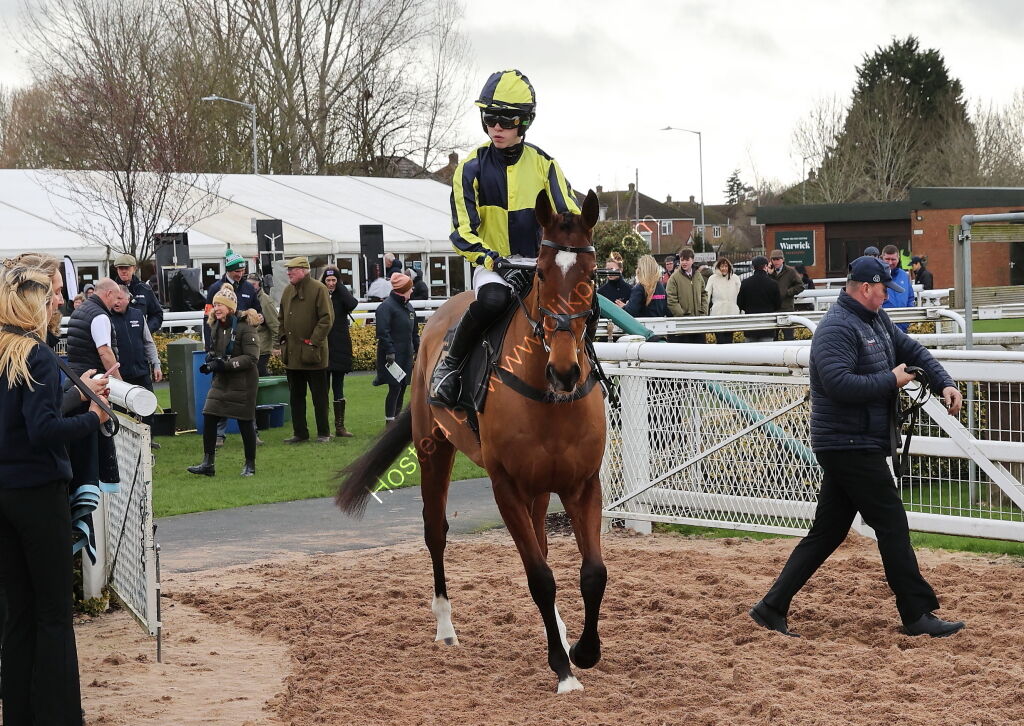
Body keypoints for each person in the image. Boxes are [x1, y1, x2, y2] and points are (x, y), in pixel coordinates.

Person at [749, 255, 966, 639]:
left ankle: (771, 607)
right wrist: (892, 380)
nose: (887, 295)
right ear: (866, 287)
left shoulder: (875, 319)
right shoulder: (836, 328)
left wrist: (943, 380)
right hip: (847, 443)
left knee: (828, 531)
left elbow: (913, 351)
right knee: (891, 521)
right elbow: (839, 385)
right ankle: (916, 614)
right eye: (884, 289)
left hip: (855, 441)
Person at [0, 260, 110, 725]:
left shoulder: (8, 352)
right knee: (53, 614)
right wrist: (94, 418)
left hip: (4, 493)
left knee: (19, 614)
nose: (57, 305)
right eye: (51, 298)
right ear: (35, 303)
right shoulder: (35, 355)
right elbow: (44, 430)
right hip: (39, 492)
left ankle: (20, 713)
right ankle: (61, 715)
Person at [430, 68, 580, 407]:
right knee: (493, 301)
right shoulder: (470, 168)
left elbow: (568, 218)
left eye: (506, 120)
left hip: (539, 266)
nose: (496, 127)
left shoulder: (546, 165)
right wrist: (492, 260)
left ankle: (591, 370)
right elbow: (461, 232)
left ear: (524, 123)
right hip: (494, 266)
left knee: (581, 305)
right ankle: (450, 366)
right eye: (489, 118)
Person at [187, 287, 261, 477]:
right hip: (222, 379)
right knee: (209, 415)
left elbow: (252, 358)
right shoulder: (216, 325)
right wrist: (212, 359)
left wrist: (226, 364)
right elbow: (216, 351)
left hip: (244, 381)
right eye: (215, 304)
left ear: (230, 307)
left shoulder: (245, 326)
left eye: (220, 304)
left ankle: (250, 465)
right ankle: (208, 463)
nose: (216, 307)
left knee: (245, 422)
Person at [205, 249, 262, 447]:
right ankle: (219, 434)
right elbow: (208, 319)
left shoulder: (248, 287)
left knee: (245, 395)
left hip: (241, 347)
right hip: (221, 347)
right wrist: (210, 350)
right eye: (236, 270)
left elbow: (257, 310)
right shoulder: (215, 288)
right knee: (220, 392)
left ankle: (252, 431)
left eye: (242, 270)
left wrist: (255, 320)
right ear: (229, 270)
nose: (240, 273)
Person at [277, 256, 334, 443]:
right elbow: (281, 319)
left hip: (313, 355)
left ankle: (324, 433)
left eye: (292, 269)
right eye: (288, 270)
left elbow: (326, 318)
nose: (288, 272)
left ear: (303, 270)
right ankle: (300, 433)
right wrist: (283, 339)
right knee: (296, 397)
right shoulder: (287, 291)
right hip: (293, 356)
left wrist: (313, 341)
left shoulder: (319, 289)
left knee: (319, 397)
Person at [110, 285, 163, 448]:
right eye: (115, 298)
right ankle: (122, 442)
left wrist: (156, 364)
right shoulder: (107, 317)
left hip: (140, 370)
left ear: (128, 299)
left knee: (148, 405)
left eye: (120, 298)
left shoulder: (138, 315)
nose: (116, 302)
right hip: (120, 373)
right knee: (120, 410)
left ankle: (147, 439)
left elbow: (148, 342)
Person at [375, 273, 419, 425]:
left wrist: (418, 349)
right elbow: (383, 332)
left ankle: (396, 420)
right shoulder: (385, 307)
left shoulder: (409, 306)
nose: (412, 290)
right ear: (403, 290)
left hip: (406, 355)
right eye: (410, 288)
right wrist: (390, 351)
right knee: (394, 388)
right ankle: (390, 422)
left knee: (402, 387)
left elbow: (414, 332)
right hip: (392, 356)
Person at [322, 267, 358, 437]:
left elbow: (352, 304)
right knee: (323, 389)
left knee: (338, 387)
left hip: (340, 346)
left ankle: (340, 426)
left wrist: (340, 286)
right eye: (328, 281)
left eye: (333, 281)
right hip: (323, 347)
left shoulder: (341, 296)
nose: (330, 284)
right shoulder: (320, 296)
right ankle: (325, 427)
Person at [66, 277, 123, 379]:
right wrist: (120, 382)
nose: (116, 303)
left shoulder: (79, 311)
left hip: (75, 377)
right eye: (116, 298)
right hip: (93, 378)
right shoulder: (99, 316)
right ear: (109, 293)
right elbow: (105, 353)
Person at [112, 253, 163, 334]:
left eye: (127, 268)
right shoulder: (111, 290)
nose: (124, 271)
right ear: (117, 270)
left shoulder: (144, 289)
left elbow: (157, 314)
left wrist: (146, 330)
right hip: (118, 338)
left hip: (139, 339)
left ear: (134, 268)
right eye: (120, 268)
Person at [666, 248, 708, 344]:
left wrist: (703, 312)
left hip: (698, 323)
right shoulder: (674, 278)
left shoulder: (698, 275)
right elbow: (671, 299)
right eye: (682, 260)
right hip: (683, 326)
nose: (684, 262)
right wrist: (682, 316)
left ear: (692, 260)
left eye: (687, 260)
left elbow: (704, 294)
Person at [736, 256, 781, 343]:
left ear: (753, 267)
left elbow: (740, 303)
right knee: (767, 353)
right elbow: (778, 304)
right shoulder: (773, 284)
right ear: (765, 266)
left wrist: (749, 308)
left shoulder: (745, 283)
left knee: (750, 354)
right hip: (767, 324)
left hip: (751, 324)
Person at [768, 250, 804, 341]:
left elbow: (800, 286)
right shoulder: (769, 272)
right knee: (773, 338)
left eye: (778, 259)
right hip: (773, 309)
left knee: (789, 337)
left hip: (787, 308)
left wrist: (788, 292)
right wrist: (770, 274)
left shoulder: (790, 271)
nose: (775, 262)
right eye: (773, 259)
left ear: (783, 260)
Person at [247, 273, 279, 376]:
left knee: (261, 376)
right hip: (252, 349)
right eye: (248, 284)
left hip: (263, 350)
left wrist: (276, 347)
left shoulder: (265, 301)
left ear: (259, 284)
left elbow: (275, 325)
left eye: (253, 284)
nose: (251, 287)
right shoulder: (249, 299)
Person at [880, 244, 915, 332]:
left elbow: (910, 298)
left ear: (898, 259)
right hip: (883, 326)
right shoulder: (876, 275)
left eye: (893, 259)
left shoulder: (904, 275)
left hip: (904, 326)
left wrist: (908, 320)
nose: (890, 262)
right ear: (882, 258)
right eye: (887, 259)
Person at [705, 257, 741, 344]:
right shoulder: (712, 278)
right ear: (718, 267)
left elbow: (740, 295)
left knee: (729, 340)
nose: (724, 268)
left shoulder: (735, 278)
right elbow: (707, 296)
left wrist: (741, 311)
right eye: (722, 266)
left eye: (726, 266)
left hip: (732, 313)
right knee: (720, 340)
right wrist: (705, 313)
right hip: (718, 314)